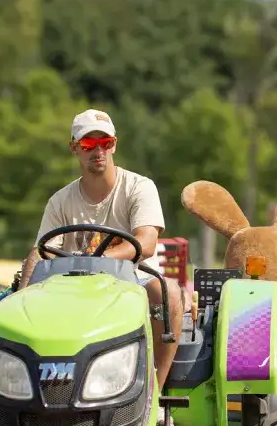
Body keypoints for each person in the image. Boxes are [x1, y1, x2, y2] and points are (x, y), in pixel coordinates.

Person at [18, 108, 183, 395]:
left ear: (114, 144)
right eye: (88, 144)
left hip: (134, 279)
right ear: (75, 148)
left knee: (166, 293)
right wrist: (22, 297)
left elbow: (145, 244)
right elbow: (42, 250)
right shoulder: (60, 201)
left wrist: (97, 260)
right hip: (71, 285)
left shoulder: (138, 187)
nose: (98, 151)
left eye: (105, 143)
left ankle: (154, 393)